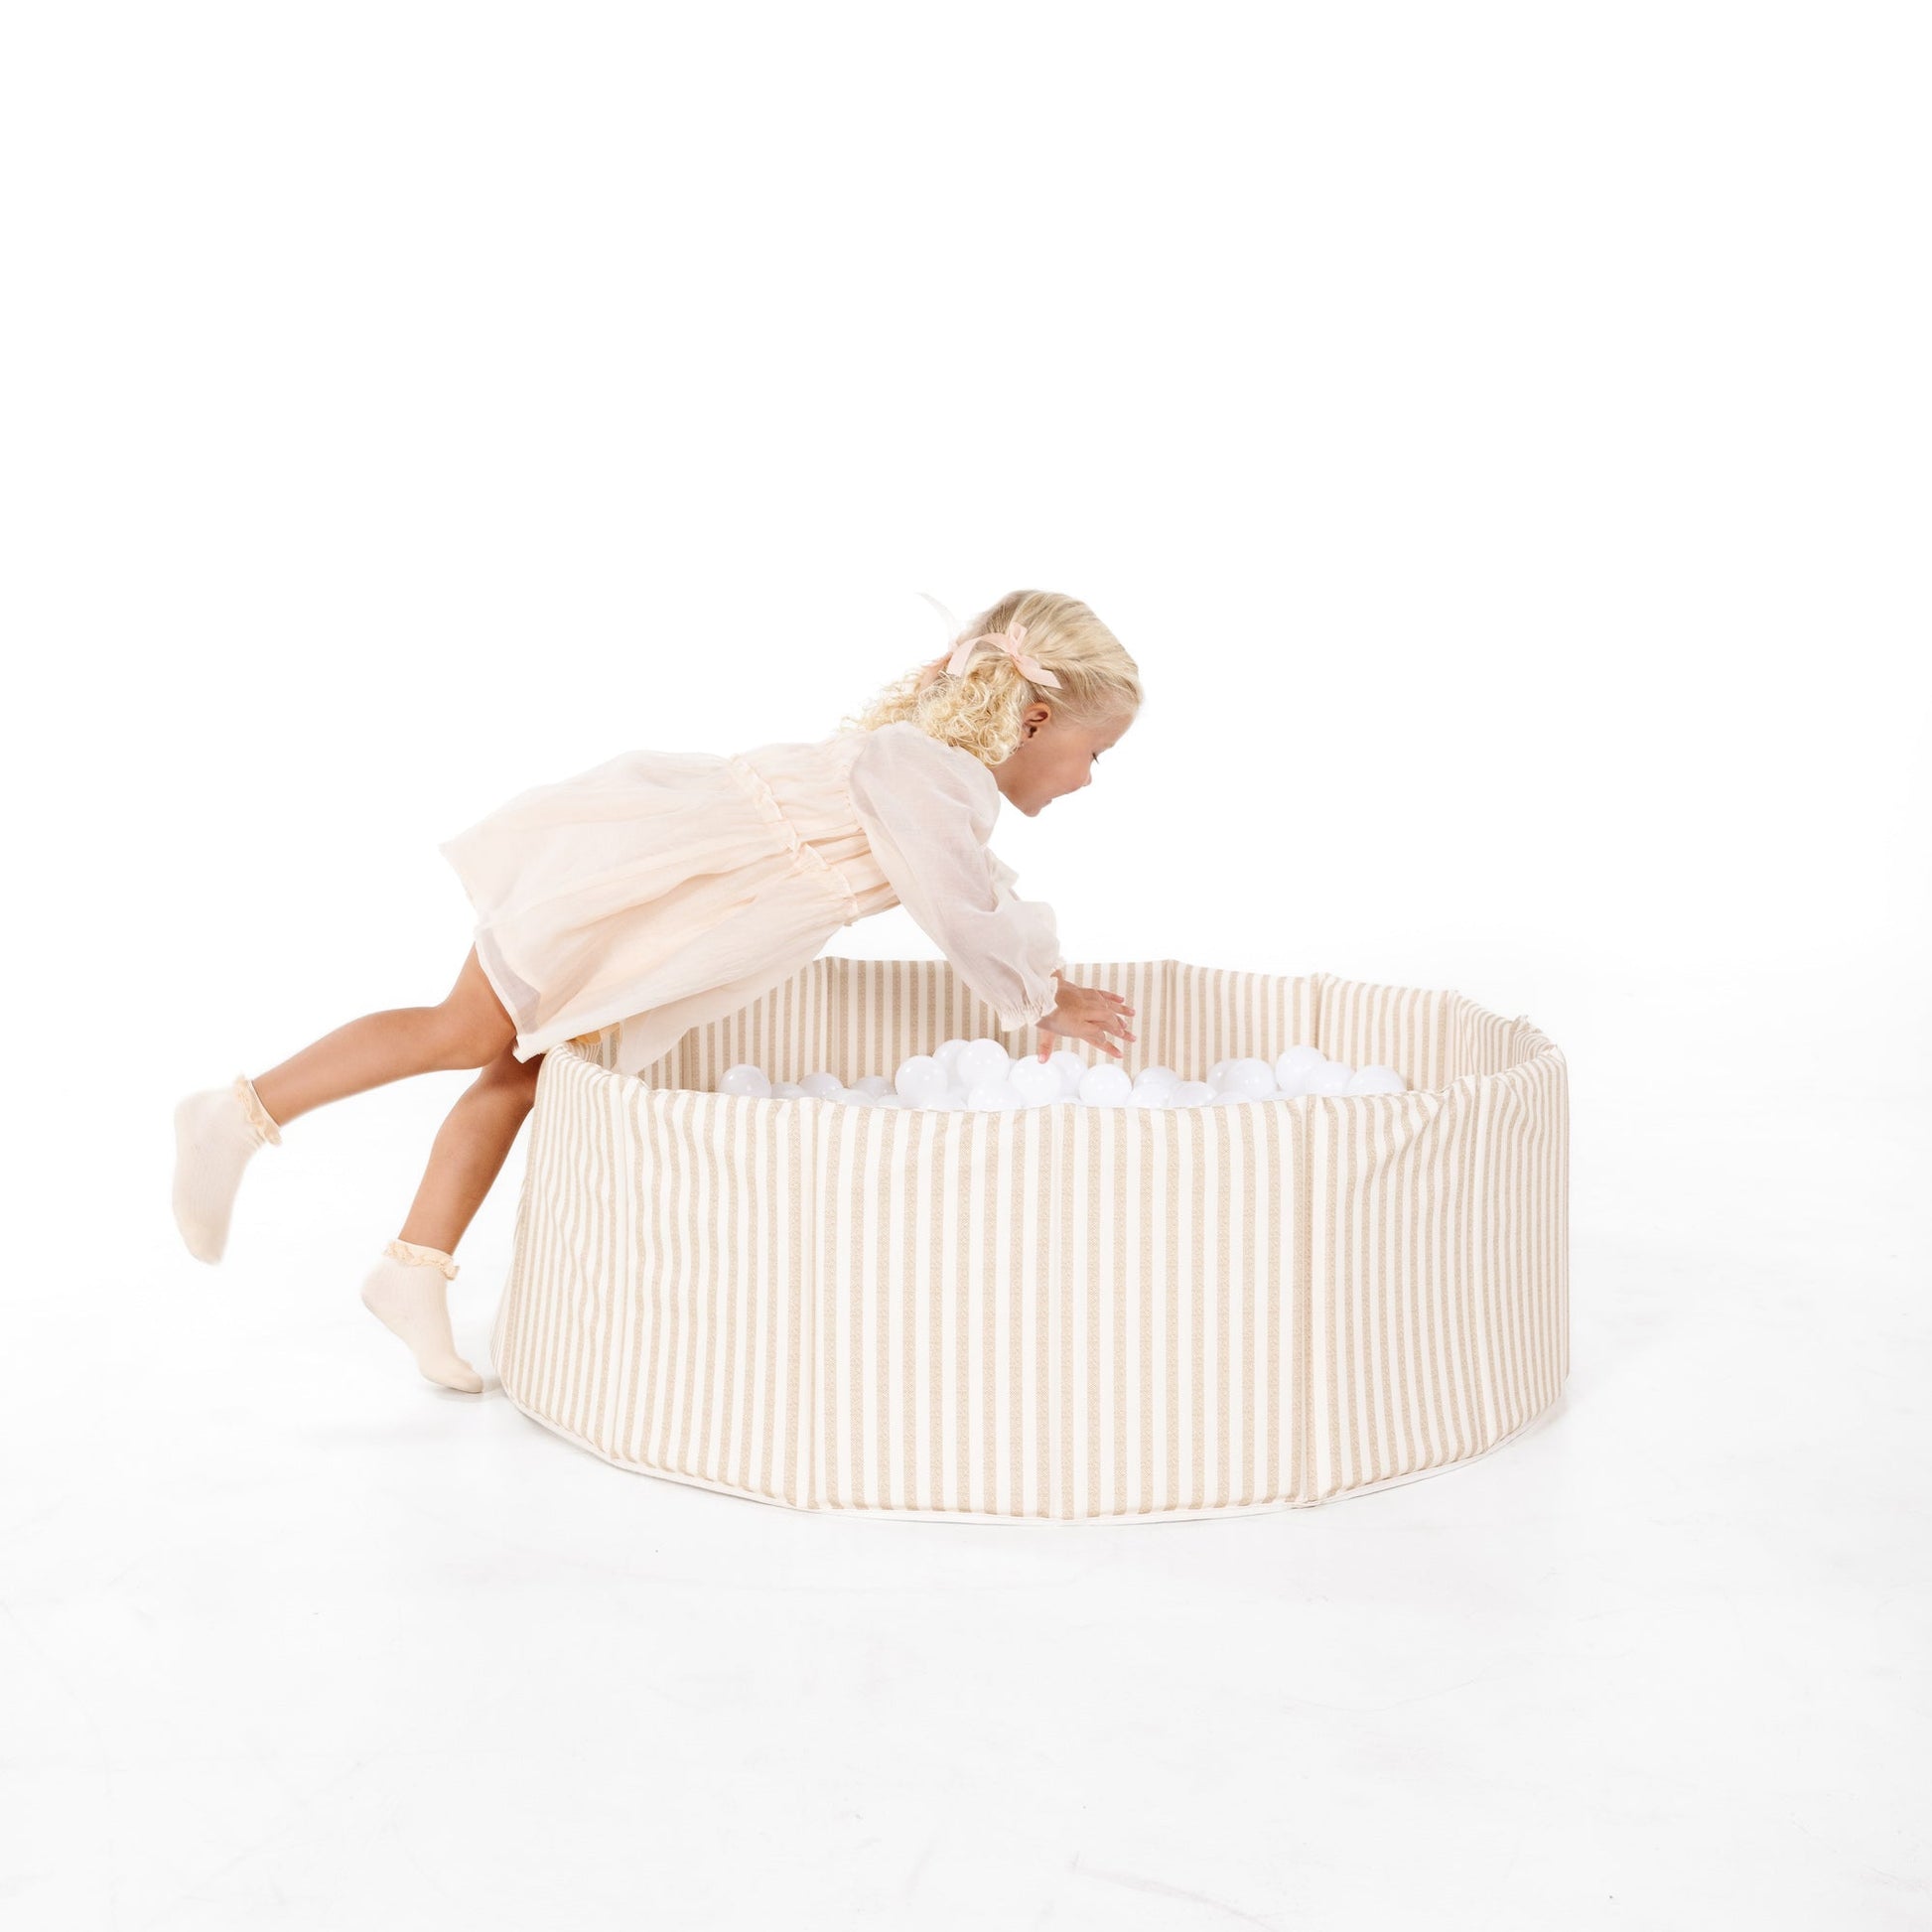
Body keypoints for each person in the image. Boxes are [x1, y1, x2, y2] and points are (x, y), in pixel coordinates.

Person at [171, 589, 1143, 1393]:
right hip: (641, 889)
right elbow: (957, 902)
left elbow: (972, 884)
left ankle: (412, 1267)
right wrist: (1037, 996)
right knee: (467, 1028)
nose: (1091, 779)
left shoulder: (933, 782)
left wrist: (1047, 980)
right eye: (1097, 752)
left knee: (530, 1071)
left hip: (677, 925)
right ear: (1035, 716)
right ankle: (239, 1112)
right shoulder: (926, 773)